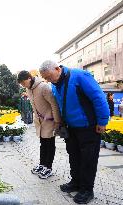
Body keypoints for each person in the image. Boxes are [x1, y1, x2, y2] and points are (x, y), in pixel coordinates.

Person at [39, 60, 109, 204]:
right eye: (46, 78)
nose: (48, 80)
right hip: (71, 128)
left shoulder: (80, 76)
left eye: (49, 76)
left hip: (88, 127)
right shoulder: (56, 85)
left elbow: (98, 97)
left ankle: (87, 190)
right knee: (74, 157)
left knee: (88, 159)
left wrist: (102, 121)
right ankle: (76, 182)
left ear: (57, 69)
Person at [17, 70, 61, 179]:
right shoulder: (29, 89)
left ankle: (48, 168)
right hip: (40, 122)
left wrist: (57, 121)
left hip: (50, 120)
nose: (23, 85)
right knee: (43, 143)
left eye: (23, 83)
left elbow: (54, 104)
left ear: (29, 78)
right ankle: (42, 164)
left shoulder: (44, 87)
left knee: (49, 144)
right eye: (21, 84)